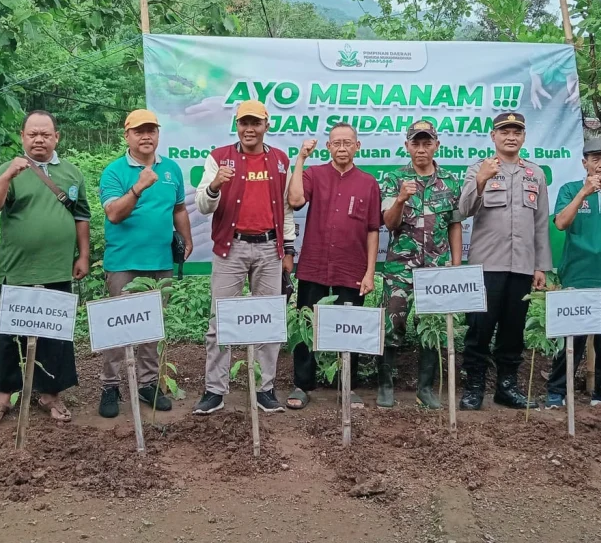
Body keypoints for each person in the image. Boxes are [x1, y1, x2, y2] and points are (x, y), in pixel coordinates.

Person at [0, 111, 90, 426]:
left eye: (45, 134)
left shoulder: (71, 173)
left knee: (55, 337)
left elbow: (81, 216)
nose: (39, 139)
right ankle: (2, 397)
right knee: (9, 336)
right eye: (32, 134)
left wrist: (83, 256)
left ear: (57, 137)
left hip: (57, 270)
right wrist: (7, 176)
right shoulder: (10, 170)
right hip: (18, 271)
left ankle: (50, 395)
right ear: (22, 137)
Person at [193, 99, 295, 415]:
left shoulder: (280, 161)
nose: (249, 129)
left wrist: (288, 248)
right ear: (236, 126)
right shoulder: (219, 159)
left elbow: (286, 207)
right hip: (230, 248)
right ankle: (215, 390)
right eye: (243, 123)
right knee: (219, 321)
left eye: (255, 123)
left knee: (268, 319)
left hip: (268, 248)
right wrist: (214, 186)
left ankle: (264, 389)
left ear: (266, 125)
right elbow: (202, 206)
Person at [97, 109, 193, 418]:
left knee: (153, 328)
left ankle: (148, 383)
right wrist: (139, 186)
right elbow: (113, 214)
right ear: (127, 136)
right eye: (139, 131)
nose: (146, 135)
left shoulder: (172, 170)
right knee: (117, 327)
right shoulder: (114, 171)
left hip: (160, 262)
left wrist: (186, 237)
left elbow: (178, 208)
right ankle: (110, 385)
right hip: (123, 262)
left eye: (151, 130)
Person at [458, 112, 551, 410]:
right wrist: (482, 180)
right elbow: (463, 210)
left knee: (514, 330)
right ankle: (473, 387)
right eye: (504, 132)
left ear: (523, 137)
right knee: (479, 328)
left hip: (522, 265)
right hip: (487, 264)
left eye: (516, 132)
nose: (511, 137)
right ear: (493, 136)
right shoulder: (478, 168)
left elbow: (540, 223)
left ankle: (507, 387)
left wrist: (540, 266)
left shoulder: (535, 174)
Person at [286, 124, 381, 410]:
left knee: (349, 327)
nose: (342, 148)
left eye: (347, 143)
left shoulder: (368, 182)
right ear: (328, 147)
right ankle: (302, 385)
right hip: (314, 264)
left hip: (351, 267)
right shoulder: (315, 174)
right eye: (336, 143)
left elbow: (373, 229)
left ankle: (347, 385)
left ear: (357, 146)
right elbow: (295, 200)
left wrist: (369, 272)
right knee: (305, 324)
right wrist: (301, 158)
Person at [545, 138, 601, 408]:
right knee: (572, 335)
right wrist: (583, 193)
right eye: (595, 159)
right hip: (578, 274)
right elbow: (561, 223)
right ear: (584, 163)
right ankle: (557, 390)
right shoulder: (571, 189)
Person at [378, 120, 463, 409]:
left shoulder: (450, 181)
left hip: (436, 271)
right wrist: (401, 198)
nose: (421, 149)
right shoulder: (393, 178)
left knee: (431, 326)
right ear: (407, 146)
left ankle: (425, 389)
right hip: (400, 269)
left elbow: (454, 224)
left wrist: (454, 263)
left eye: (427, 143)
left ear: (437, 146)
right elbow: (389, 223)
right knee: (392, 325)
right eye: (416, 143)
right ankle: (385, 386)